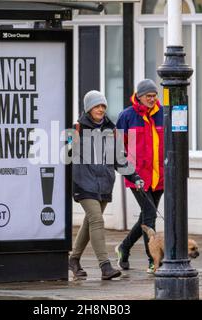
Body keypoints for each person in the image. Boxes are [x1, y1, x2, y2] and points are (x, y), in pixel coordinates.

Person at [69, 90, 144, 280]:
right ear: (88, 109)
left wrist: (134, 176)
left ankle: (74, 259)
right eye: (96, 106)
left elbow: (120, 159)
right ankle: (105, 266)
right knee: (97, 220)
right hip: (83, 183)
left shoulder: (113, 130)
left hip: (103, 184)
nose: (100, 109)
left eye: (103, 106)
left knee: (90, 222)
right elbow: (66, 156)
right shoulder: (77, 129)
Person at [115, 79, 164, 274]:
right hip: (137, 176)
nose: (152, 99)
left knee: (146, 217)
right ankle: (153, 260)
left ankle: (124, 248)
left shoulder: (163, 114)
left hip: (159, 176)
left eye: (154, 96)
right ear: (139, 96)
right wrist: (128, 170)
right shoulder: (126, 116)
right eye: (148, 96)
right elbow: (117, 148)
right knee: (150, 216)